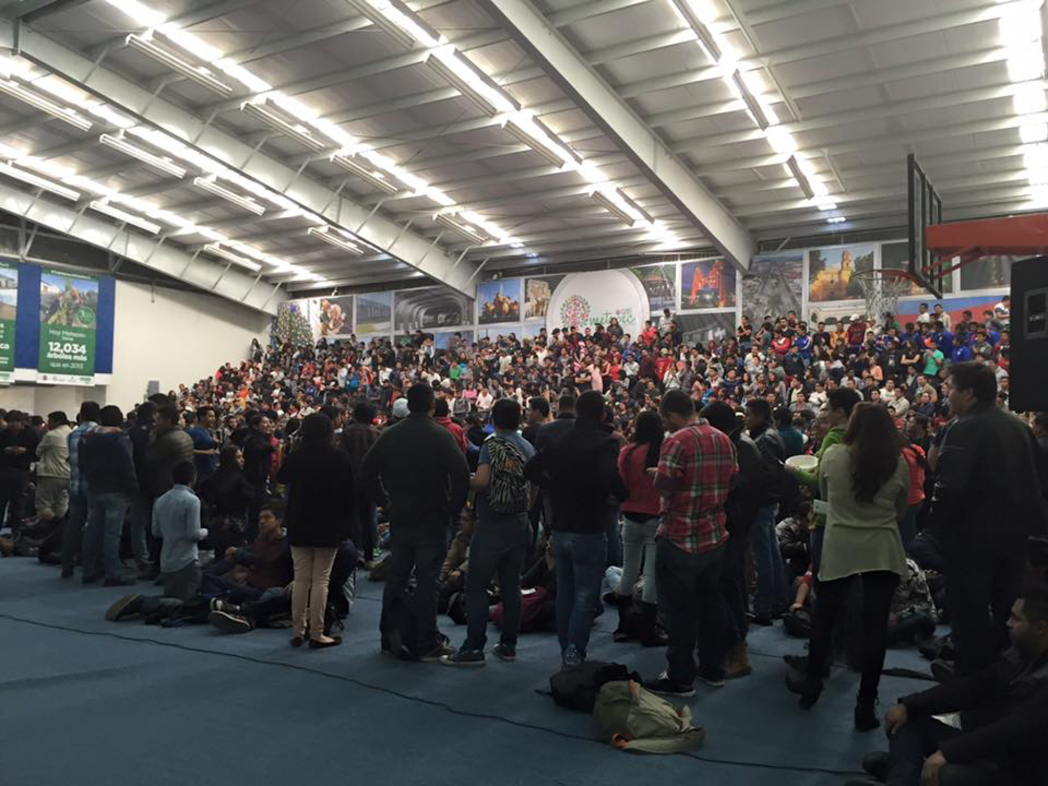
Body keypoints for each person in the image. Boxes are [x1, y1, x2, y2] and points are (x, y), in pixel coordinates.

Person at [786, 403, 909, 732]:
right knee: (875, 629)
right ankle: (866, 704)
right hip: (882, 548)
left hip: (840, 544)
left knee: (824, 619)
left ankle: (812, 684)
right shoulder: (898, 462)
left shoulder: (833, 456)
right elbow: (901, 510)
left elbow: (826, 498)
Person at [856, 586, 1048, 786]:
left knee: (946, 775)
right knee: (905, 721)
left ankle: (904, 771)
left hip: (1022, 773)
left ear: (1040, 628)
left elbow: (1009, 731)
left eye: (1016, 619)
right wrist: (910, 705)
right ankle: (904, 776)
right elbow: (975, 687)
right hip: (996, 753)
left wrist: (948, 753)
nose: (1008, 623)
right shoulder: (1022, 655)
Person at [930, 362, 1048, 676]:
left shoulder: (964, 427)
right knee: (1005, 614)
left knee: (968, 617)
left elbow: (948, 488)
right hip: (1015, 540)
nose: (947, 394)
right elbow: (1039, 482)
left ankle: (967, 683)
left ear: (968, 393)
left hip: (970, 541)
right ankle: (998, 680)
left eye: (951, 388)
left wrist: (936, 530)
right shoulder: (1019, 426)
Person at [362, 383, 470, 662]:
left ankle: (389, 636)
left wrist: (385, 501)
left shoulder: (391, 434)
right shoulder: (441, 435)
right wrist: (452, 509)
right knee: (427, 581)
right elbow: (461, 474)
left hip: (401, 515)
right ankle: (427, 642)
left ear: (408, 404)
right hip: (433, 517)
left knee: (396, 577)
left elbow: (367, 470)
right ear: (432, 405)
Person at [641, 390, 736, 697]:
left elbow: (666, 486)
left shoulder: (677, 441)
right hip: (714, 534)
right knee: (711, 604)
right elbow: (733, 479)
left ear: (670, 414)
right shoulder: (723, 439)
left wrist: (658, 474)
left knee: (679, 611)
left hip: (680, 536)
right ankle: (712, 667)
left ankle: (681, 677)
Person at [524, 390, 628, 667]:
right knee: (585, 594)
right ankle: (574, 651)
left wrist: (554, 485)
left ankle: (566, 650)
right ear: (602, 414)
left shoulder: (559, 440)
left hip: (560, 526)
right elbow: (610, 477)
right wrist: (619, 494)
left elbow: (531, 469)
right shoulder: (604, 442)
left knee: (566, 592)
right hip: (589, 526)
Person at [442, 398, 535, 666]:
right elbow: (535, 484)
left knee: (476, 586)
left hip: (493, 522)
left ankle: (474, 647)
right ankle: (508, 644)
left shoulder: (491, 444)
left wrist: (465, 480)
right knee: (511, 585)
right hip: (519, 521)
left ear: (494, 419)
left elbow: (482, 481)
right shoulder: (527, 446)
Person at [277, 412, 355, 649]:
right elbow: (349, 492)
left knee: (301, 578)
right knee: (321, 579)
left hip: (299, 521)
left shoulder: (298, 455)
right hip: (329, 523)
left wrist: (291, 450)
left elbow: (282, 476)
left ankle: (297, 630)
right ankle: (317, 632)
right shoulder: (339, 456)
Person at [703, 401, 763, 680]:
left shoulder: (740, 448)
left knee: (726, 584)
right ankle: (733, 642)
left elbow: (736, 488)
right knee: (730, 583)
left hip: (734, 523)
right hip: (735, 522)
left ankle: (737, 648)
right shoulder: (739, 444)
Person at [612, 410, 664, 647]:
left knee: (628, 569)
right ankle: (648, 630)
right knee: (651, 574)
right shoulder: (662, 452)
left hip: (630, 515)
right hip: (655, 515)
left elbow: (621, 483)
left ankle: (623, 626)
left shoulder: (627, 452)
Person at [79, 406, 137, 586]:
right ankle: (113, 573)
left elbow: (81, 463)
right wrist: (132, 489)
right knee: (112, 533)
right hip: (116, 490)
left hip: (94, 487)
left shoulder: (87, 437)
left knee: (92, 530)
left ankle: (88, 570)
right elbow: (127, 465)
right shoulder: (121, 438)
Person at [745, 398, 789, 625]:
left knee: (763, 555)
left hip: (762, 501)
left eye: (749, 415)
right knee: (771, 552)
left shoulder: (764, 440)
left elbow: (766, 474)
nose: (746, 419)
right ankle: (779, 602)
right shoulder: (771, 435)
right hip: (769, 501)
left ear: (760, 416)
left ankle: (763, 606)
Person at [151, 461, 207, 601]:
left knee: (171, 601)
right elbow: (193, 534)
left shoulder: (160, 500)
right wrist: (205, 532)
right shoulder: (192, 501)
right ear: (193, 477)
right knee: (188, 603)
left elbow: (156, 532)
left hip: (167, 561)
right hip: (187, 560)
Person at [62, 401, 100, 579]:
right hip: (93, 487)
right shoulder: (99, 433)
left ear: (81, 415)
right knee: (92, 528)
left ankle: (66, 565)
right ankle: (88, 569)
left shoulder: (73, 434)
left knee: (73, 527)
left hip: (75, 486)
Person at [341, 401, 381, 564]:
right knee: (369, 518)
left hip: (349, 481)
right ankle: (370, 555)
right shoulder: (376, 434)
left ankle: (354, 553)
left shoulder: (346, 432)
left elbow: (342, 456)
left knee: (352, 517)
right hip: (369, 482)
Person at [0, 410, 40, 531]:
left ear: (21, 422)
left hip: (21, 471)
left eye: (14, 422)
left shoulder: (30, 433)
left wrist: (25, 451)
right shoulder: (3, 433)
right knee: (2, 501)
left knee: (18, 502)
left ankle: (16, 530)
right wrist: (5, 450)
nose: (12, 425)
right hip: (4, 470)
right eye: (9, 422)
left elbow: (37, 453)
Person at [34, 411, 71, 523]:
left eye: (50, 421)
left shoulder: (51, 435)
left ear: (57, 422)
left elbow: (38, 452)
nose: (47, 423)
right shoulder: (72, 433)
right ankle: (60, 527)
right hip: (68, 475)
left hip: (50, 474)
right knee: (62, 503)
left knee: (43, 504)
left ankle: (46, 526)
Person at [185, 406, 219, 481]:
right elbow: (188, 450)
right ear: (202, 417)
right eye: (210, 416)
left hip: (210, 469)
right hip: (201, 472)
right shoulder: (195, 432)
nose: (213, 419)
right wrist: (205, 452)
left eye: (214, 416)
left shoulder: (208, 431)